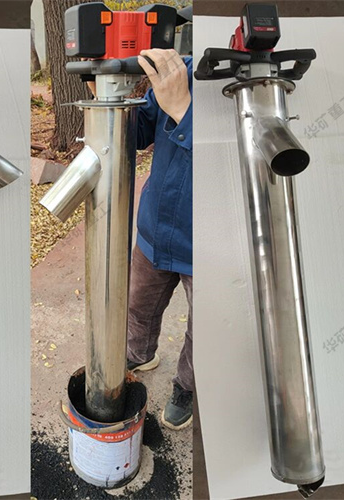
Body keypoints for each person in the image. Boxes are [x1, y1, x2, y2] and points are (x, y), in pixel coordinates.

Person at [125, 46, 193, 431]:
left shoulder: (249, 87)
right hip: (155, 231)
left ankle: (186, 387)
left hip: (206, 246)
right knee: (139, 305)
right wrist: (113, 94)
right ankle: (139, 354)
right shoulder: (182, 70)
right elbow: (139, 132)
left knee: (203, 332)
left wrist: (184, 111)